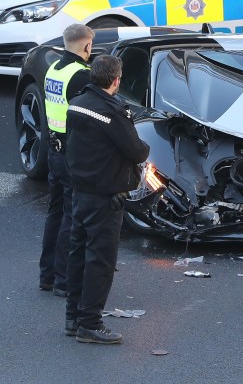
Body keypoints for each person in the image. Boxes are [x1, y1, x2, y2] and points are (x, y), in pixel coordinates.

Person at [64, 55, 150, 344]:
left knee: (78, 255)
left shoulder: (77, 103)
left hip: (80, 193)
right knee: (100, 261)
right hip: (105, 198)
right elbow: (137, 151)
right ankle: (90, 323)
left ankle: (73, 319)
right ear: (116, 80)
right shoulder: (113, 112)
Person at [39, 23, 93, 296]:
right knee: (72, 218)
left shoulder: (54, 70)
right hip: (71, 154)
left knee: (55, 213)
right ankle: (63, 279)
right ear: (86, 46)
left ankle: (47, 275)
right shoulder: (81, 75)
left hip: (54, 150)